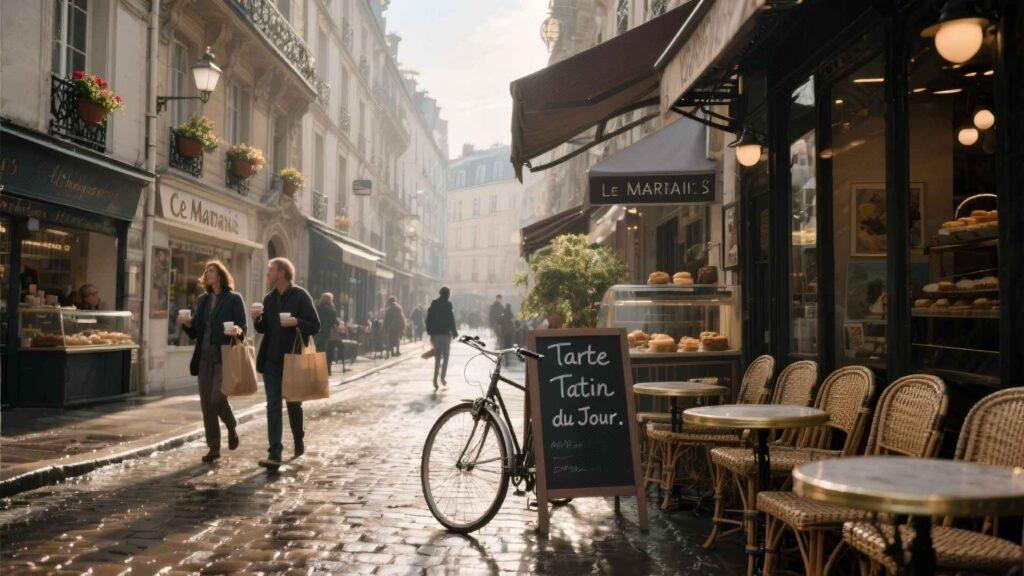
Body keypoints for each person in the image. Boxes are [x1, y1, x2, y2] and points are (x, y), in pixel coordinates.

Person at [252, 258, 321, 470]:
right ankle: (275, 452)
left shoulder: (300, 296)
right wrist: (257, 318)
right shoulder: (269, 298)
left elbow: (315, 325)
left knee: (293, 405)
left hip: (293, 360)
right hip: (271, 361)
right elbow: (263, 329)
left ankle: (298, 438)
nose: (267, 274)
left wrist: (297, 322)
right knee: (273, 405)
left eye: (270, 270)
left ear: (281, 273)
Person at [177, 261, 246, 463]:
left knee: (216, 398)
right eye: (206, 271)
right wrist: (186, 324)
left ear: (221, 275)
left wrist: (237, 331)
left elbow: (243, 327)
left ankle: (231, 425)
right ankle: (214, 447)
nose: (207, 274)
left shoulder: (234, 299)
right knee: (207, 404)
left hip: (224, 355)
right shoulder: (203, 300)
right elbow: (196, 331)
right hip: (204, 356)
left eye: (212, 271)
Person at [426, 286, 458, 390]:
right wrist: (454, 332)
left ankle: (435, 379)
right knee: (446, 357)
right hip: (445, 335)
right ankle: (442, 378)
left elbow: (428, 318)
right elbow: (451, 319)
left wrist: (430, 331)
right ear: (448, 294)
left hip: (435, 335)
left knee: (437, 358)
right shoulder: (449, 305)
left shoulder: (434, 303)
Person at [315, 293, 340, 376]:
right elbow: (334, 321)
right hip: (327, 335)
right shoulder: (331, 309)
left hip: (317, 333)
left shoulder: (317, 307)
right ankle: (327, 370)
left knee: (318, 352)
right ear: (330, 300)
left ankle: (317, 370)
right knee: (328, 353)